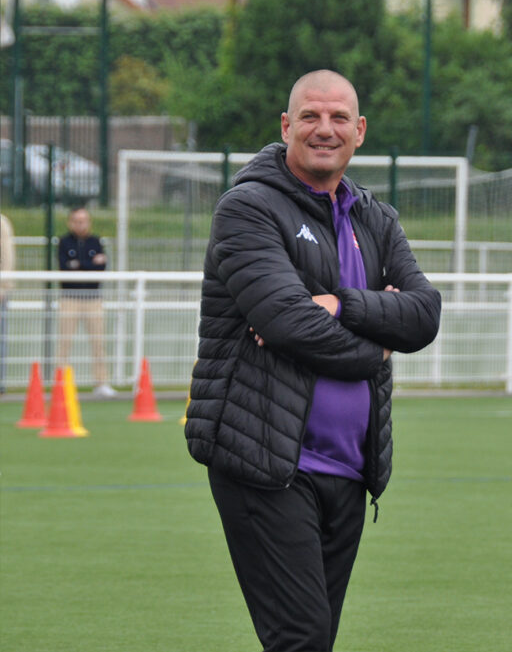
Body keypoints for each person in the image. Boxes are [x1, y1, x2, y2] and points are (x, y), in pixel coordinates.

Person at [184, 69, 441, 651]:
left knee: (312, 641)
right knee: (300, 638)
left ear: (360, 131)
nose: (324, 129)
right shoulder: (248, 209)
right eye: (310, 116)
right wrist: (378, 339)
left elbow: (424, 314)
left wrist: (342, 303)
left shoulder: (377, 218)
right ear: (286, 125)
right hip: (266, 462)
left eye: (338, 118)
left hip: (349, 472)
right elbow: (287, 323)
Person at [57, 206, 115, 397]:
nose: (80, 224)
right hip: (69, 298)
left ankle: (101, 383)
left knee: (98, 341)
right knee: (64, 341)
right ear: (70, 222)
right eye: (77, 220)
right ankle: (61, 382)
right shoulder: (64, 242)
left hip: (93, 298)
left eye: (84, 220)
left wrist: (80, 266)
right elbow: (65, 269)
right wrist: (89, 264)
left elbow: (101, 268)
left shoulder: (95, 241)